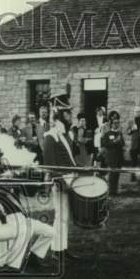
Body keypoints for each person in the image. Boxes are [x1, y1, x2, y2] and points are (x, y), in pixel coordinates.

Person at [41, 98, 78, 254]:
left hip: (70, 178)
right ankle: (56, 249)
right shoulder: (51, 135)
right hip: (61, 181)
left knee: (65, 216)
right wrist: (62, 181)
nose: (71, 116)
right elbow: (50, 165)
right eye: (68, 113)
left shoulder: (66, 134)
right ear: (60, 114)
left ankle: (62, 247)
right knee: (60, 216)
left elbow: (70, 159)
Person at [100, 110, 125, 195]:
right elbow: (105, 143)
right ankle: (110, 191)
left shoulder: (120, 134)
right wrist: (114, 141)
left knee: (117, 174)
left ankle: (115, 190)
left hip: (119, 156)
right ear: (111, 124)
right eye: (114, 123)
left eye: (118, 123)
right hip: (111, 157)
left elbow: (123, 143)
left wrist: (119, 141)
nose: (116, 124)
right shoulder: (107, 134)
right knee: (112, 174)